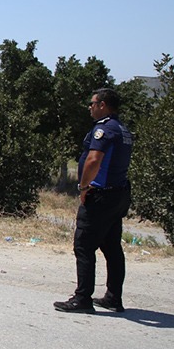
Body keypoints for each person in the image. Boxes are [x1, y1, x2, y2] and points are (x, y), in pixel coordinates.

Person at [55, 88, 134, 313]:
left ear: (103, 105)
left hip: (100, 195)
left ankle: (82, 299)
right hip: (117, 195)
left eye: (92, 103)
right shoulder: (122, 129)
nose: (90, 107)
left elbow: (93, 160)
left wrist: (83, 187)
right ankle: (113, 297)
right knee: (111, 247)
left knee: (83, 245)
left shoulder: (104, 129)